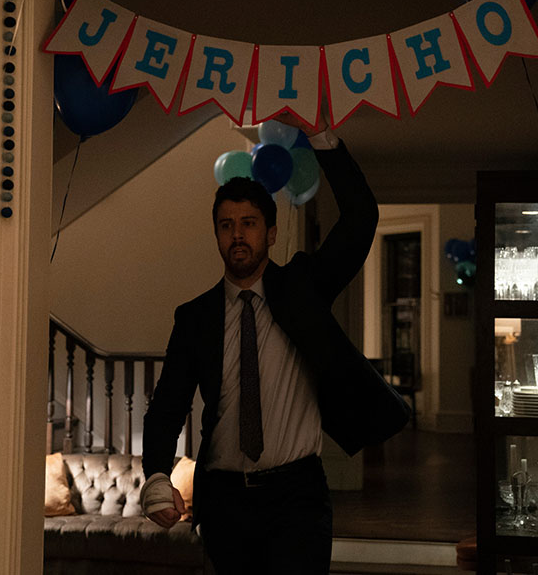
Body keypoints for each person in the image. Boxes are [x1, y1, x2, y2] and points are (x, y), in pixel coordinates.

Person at [140, 112, 411, 574]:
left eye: (248, 223)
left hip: (297, 498)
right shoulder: (195, 318)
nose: (237, 235)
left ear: (271, 232)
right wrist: (157, 476)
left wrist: (320, 135)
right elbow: (167, 405)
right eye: (226, 225)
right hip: (224, 501)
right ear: (217, 235)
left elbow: (361, 217)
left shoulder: (304, 287)